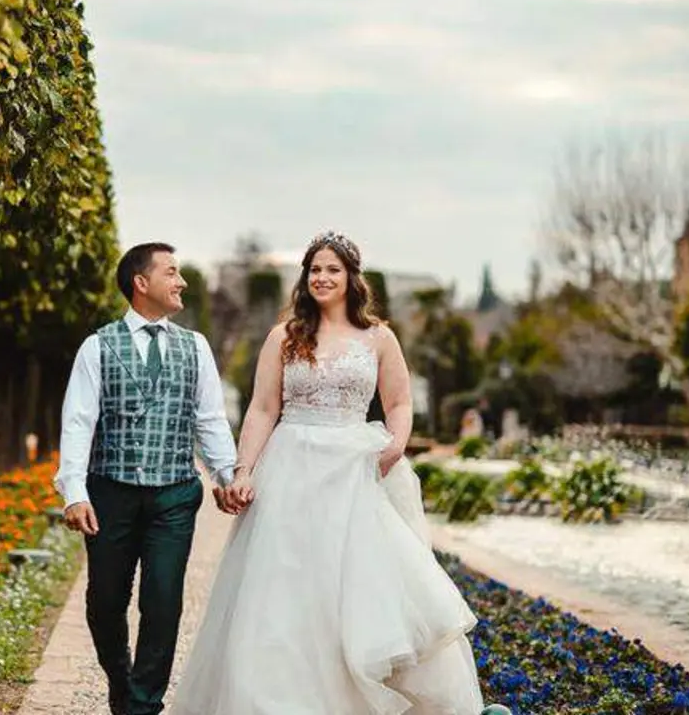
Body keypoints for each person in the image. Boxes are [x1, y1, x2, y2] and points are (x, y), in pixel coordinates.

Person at [171, 231, 488, 714]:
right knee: (282, 588)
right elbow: (261, 409)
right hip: (291, 465)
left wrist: (396, 444)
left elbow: (399, 402)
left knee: (354, 590)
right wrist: (243, 469)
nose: (321, 277)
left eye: (332, 269)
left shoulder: (379, 338)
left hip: (353, 469)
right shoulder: (284, 336)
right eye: (314, 269)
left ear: (351, 278)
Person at [54, 242, 238, 715]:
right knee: (105, 602)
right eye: (172, 272)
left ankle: (144, 705)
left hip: (175, 494)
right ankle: (122, 685)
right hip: (110, 492)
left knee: (163, 601)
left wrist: (226, 475)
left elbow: (210, 420)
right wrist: (74, 492)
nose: (182, 282)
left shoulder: (195, 346)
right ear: (141, 282)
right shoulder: (97, 346)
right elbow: (79, 423)